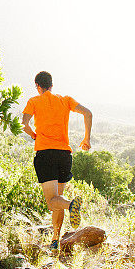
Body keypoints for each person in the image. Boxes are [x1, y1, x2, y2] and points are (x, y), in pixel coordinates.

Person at [22, 71, 92, 252]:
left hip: (46, 154)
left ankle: (71, 205)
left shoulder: (34, 101)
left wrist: (33, 135)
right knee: (57, 198)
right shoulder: (66, 100)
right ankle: (55, 239)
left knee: (53, 201)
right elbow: (88, 113)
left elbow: (24, 123)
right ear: (52, 85)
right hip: (64, 155)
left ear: (38, 86)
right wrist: (86, 140)